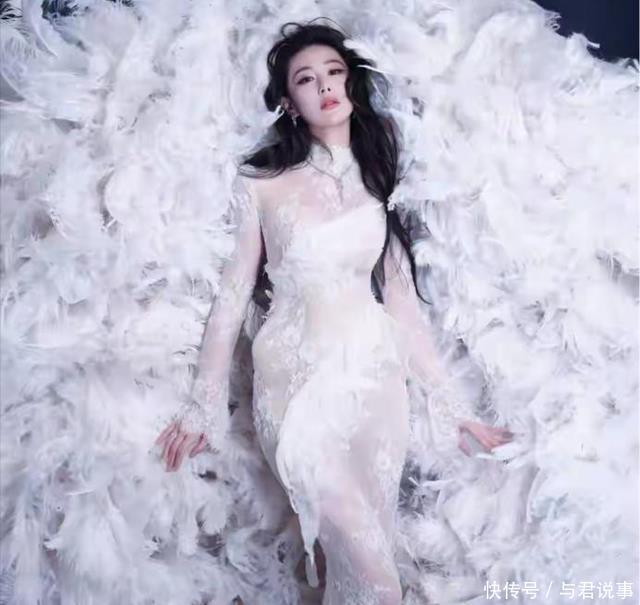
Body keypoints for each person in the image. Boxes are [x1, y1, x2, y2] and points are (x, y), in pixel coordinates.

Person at [155, 20, 513, 604]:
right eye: (305, 79)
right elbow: (233, 292)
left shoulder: (378, 171)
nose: (324, 86)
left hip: (374, 382)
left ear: (351, 83)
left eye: (334, 72)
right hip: (292, 385)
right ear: (289, 102)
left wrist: (451, 405)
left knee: (357, 559)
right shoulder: (261, 182)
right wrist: (203, 402)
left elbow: (400, 298)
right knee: (374, 570)